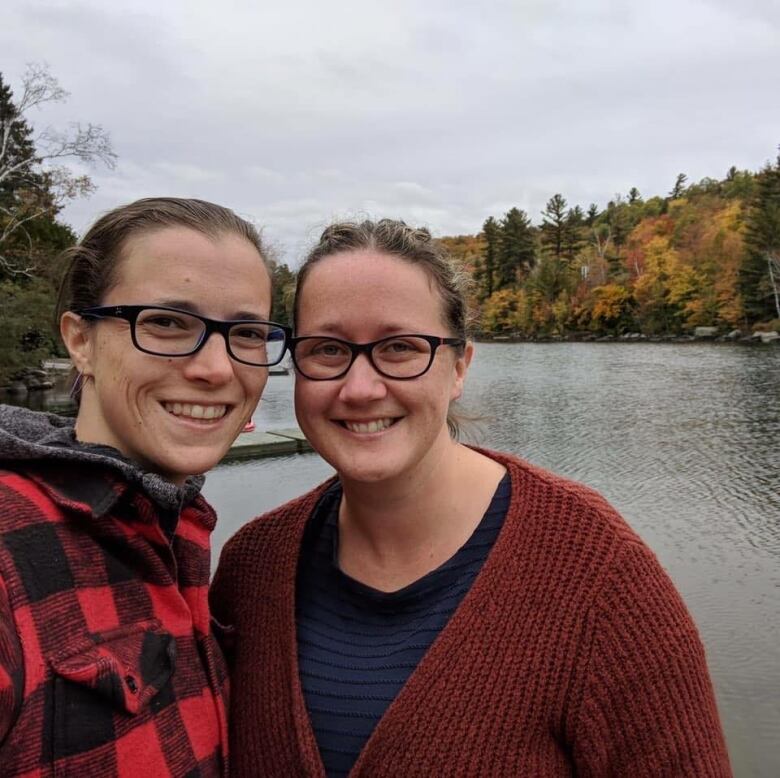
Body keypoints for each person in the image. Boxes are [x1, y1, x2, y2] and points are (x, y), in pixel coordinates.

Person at [210, 219, 732, 777]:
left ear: (459, 367)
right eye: (328, 349)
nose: (360, 388)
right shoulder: (251, 568)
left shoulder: (598, 577)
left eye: (401, 347)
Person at [0, 198, 289, 776]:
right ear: (81, 340)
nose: (216, 368)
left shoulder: (179, 527)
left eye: (248, 332)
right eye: (166, 323)